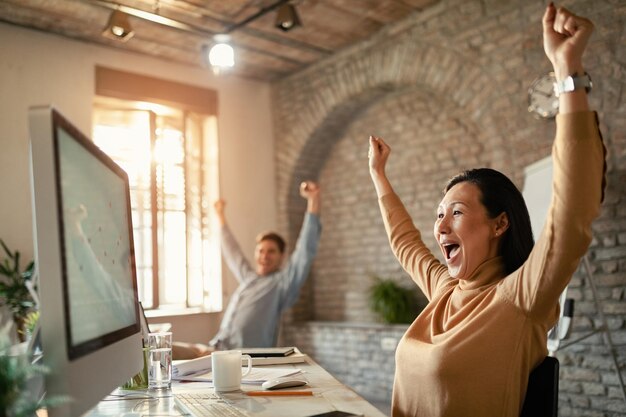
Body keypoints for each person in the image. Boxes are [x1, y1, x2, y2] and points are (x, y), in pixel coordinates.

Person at [367, 4, 605, 417]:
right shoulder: (445, 290)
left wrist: (569, 73)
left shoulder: (519, 301)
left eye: (455, 212)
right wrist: (378, 176)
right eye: (439, 214)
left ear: (500, 223)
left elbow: (571, 216)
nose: (440, 224)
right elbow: (405, 242)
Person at [174, 181, 321, 359]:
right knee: (164, 350)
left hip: (241, 360)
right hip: (216, 349)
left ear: (282, 256)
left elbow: (304, 253)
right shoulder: (248, 278)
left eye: (271, 251)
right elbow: (232, 252)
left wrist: (313, 199)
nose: (265, 256)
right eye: (261, 251)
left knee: (170, 355)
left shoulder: (281, 284)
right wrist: (220, 215)